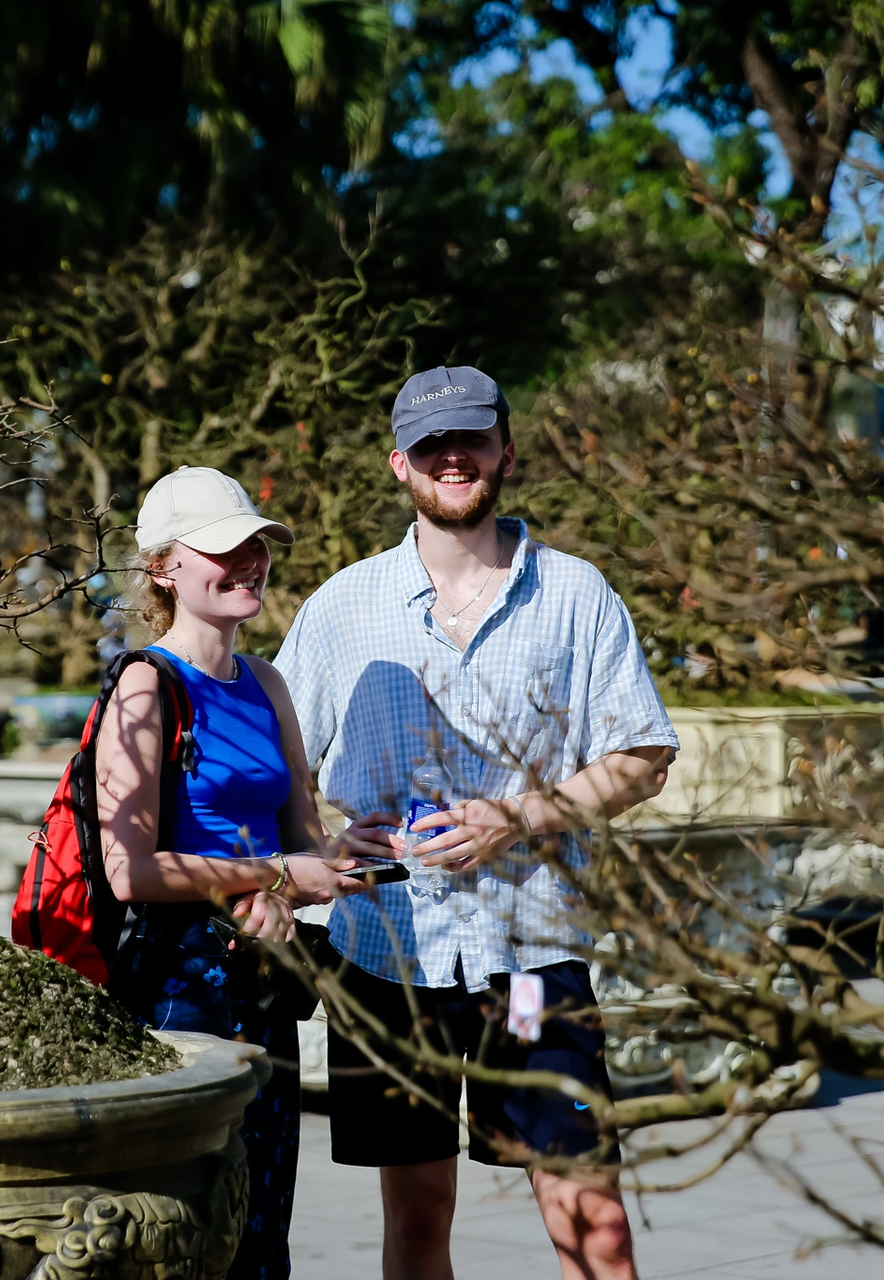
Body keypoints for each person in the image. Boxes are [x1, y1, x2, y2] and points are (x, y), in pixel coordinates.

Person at [275, 366, 679, 1280]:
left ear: (505, 448)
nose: (452, 458)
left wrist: (519, 815)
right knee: (418, 1218)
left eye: (470, 439)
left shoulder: (575, 595)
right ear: (399, 464)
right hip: (386, 957)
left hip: (531, 953)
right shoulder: (341, 606)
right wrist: (321, 845)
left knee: (593, 1219)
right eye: (430, 445)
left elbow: (643, 756)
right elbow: (277, 765)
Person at [100, 466, 393, 1280]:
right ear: (163, 567)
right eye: (224, 549)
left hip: (263, 981)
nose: (250, 561)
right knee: (189, 1229)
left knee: (263, 1227)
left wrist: (347, 853)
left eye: (257, 544)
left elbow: (302, 838)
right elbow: (130, 871)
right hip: (179, 992)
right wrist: (266, 875)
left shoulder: (267, 683)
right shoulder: (142, 687)